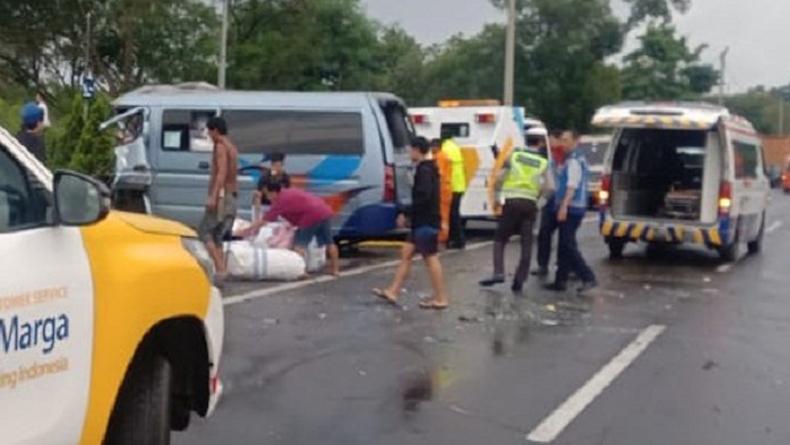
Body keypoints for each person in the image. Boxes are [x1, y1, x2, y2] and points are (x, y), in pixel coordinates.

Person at [372, 136, 449, 310]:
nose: (408, 153)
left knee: (431, 258)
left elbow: (423, 196)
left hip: (426, 221)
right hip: (421, 221)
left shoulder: (425, 170)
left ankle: (441, 298)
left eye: (410, 150)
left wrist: (406, 212)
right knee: (406, 254)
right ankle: (393, 290)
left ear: (416, 150)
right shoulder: (427, 168)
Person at [479, 140, 554, 292]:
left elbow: (499, 179)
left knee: (500, 239)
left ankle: (498, 272)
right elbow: (551, 188)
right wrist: (539, 205)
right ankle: (520, 279)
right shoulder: (543, 162)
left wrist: (498, 199)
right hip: (530, 205)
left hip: (512, 203)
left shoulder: (514, 156)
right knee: (526, 243)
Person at [245, 184, 341, 276]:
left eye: (267, 194)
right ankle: (335, 270)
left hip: (310, 216)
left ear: (273, 192)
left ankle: (301, 272)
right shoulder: (288, 191)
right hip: (324, 211)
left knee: (299, 245)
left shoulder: (279, 201)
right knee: (330, 242)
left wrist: (248, 230)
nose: (267, 197)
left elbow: (265, 220)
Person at [544, 130, 597, 293]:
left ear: (575, 141)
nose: (563, 143)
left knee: (567, 244)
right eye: (562, 140)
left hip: (573, 207)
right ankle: (561, 280)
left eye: (566, 140)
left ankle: (588, 276)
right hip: (571, 206)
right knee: (564, 243)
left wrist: (564, 206)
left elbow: (571, 186)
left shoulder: (574, 160)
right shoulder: (571, 158)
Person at [198, 117, 239, 282]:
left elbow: (221, 172)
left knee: (204, 231)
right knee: (217, 235)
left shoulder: (220, 147)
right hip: (231, 195)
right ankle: (220, 269)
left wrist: (213, 196)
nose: (208, 134)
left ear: (215, 130)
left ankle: (221, 269)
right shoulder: (232, 147)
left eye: (209, 131)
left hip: (222, 196)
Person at [533, 129, 566, 277]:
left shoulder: (567, 155)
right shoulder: (546, 153)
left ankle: (566, 266)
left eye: (550, 139)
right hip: (550, 199)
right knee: (544, 233)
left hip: (563, 199)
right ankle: (543, 265)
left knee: (566, 238)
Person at [443, 137, 467, 249]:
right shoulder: (453, 146)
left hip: (452, 186)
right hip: (459, 185)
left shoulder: (445, 149)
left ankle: (457, 240)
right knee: (454, 214)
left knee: (452, 215)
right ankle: (457, 239)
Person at [252, 152, 291, 218]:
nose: (277, 168)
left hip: (277, 206)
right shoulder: (265, 176)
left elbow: (287, 194)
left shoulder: (285, 177)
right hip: (263, 205)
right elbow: (258, 195)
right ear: (271, 165)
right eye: (275, 166)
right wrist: (257, 217)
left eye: (279, 166)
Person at [430, 139, 452, 244]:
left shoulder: (439, 157)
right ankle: (443, 236)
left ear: (436, 147)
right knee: (444, 216)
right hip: (446, 189)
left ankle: (441, 237)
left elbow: (439, 173)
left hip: (442, 190)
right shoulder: (444, 156)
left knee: (442, 216)